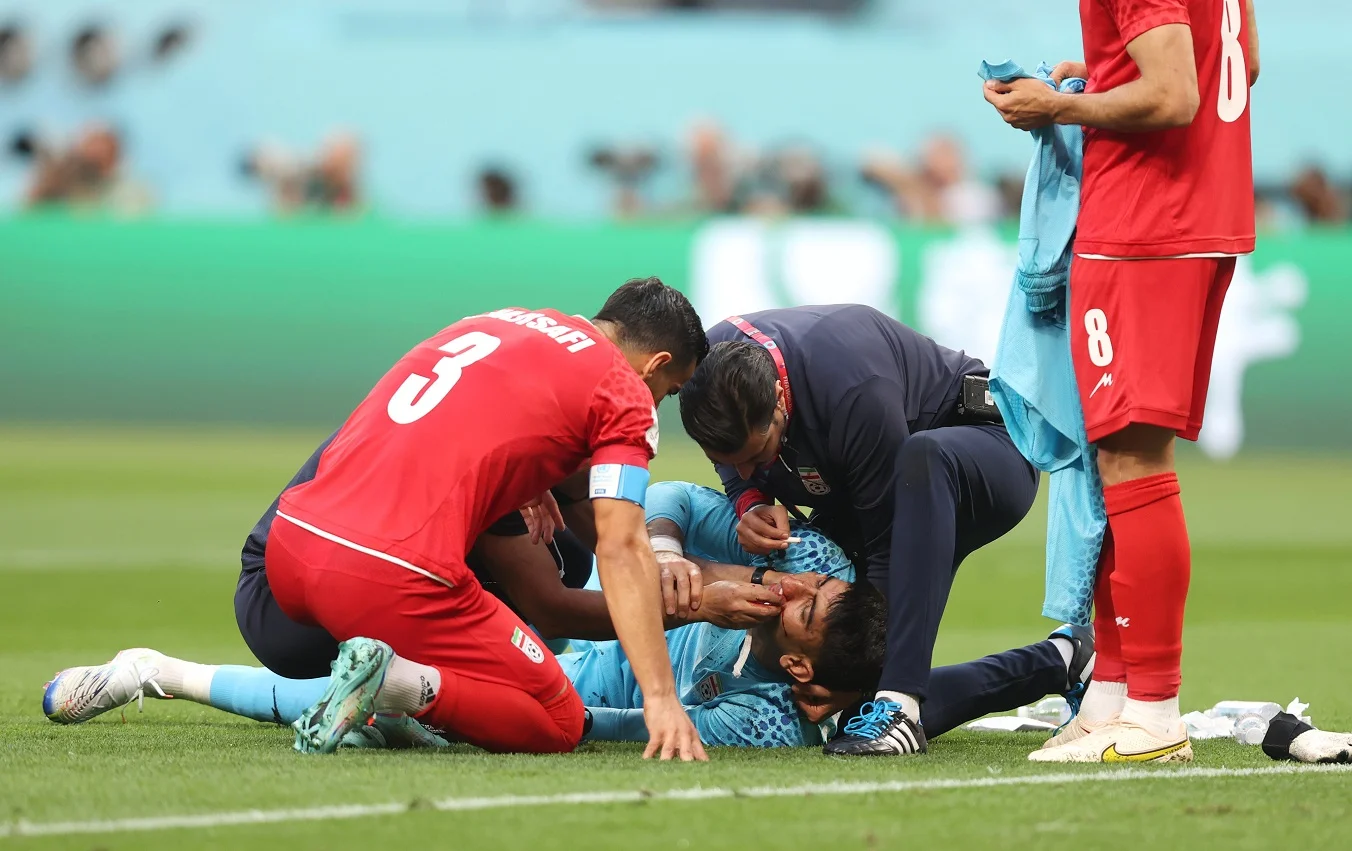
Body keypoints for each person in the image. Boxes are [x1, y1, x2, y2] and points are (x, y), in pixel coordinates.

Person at [45, 278, 711, 761]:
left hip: (290, 552)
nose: (660, 403)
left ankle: (353, 693)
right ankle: (394, 683)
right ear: (655, 366)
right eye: (670, 390)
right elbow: (619, 545)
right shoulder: (623, 393)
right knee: (556, 720)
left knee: (530, 572)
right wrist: (660, 696)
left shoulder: (504, 319)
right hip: (388, 573)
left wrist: (527, 479)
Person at [44, 483, 1091, 751]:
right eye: (810, 583)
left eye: (802, 611)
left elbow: (600, 729)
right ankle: (399, 693)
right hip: (576, 594)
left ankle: (152, 668)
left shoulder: (764, 720)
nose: (793, 587)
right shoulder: (810, 560)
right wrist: (675, 561)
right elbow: (670, 498)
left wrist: (490, 715)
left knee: (366, 703)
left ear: (802, 672)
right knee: (402, 695)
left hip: (552, 668)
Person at [982, 0, 1259, 762]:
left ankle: (1155, 712)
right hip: (1200, 214)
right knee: (1114, 460)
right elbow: (1240, 63)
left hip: (1147, 223)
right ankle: (1112, 695)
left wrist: (1062, 105)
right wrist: (1101, 76)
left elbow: (1174, 94)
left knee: (1132, 462)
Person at [678, 306, 1042, 756]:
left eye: (758, 455)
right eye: (731, 460)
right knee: (842, 703)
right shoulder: (709, 370)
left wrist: (869, 675)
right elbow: (733, 453)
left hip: (983, 451)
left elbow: (890, 547)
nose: (747, 470)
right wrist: (747, 496)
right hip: (878, 488)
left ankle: (900, 707)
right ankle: (1061, 660)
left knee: (922, 459)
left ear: (776, 397)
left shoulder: (852, 390)